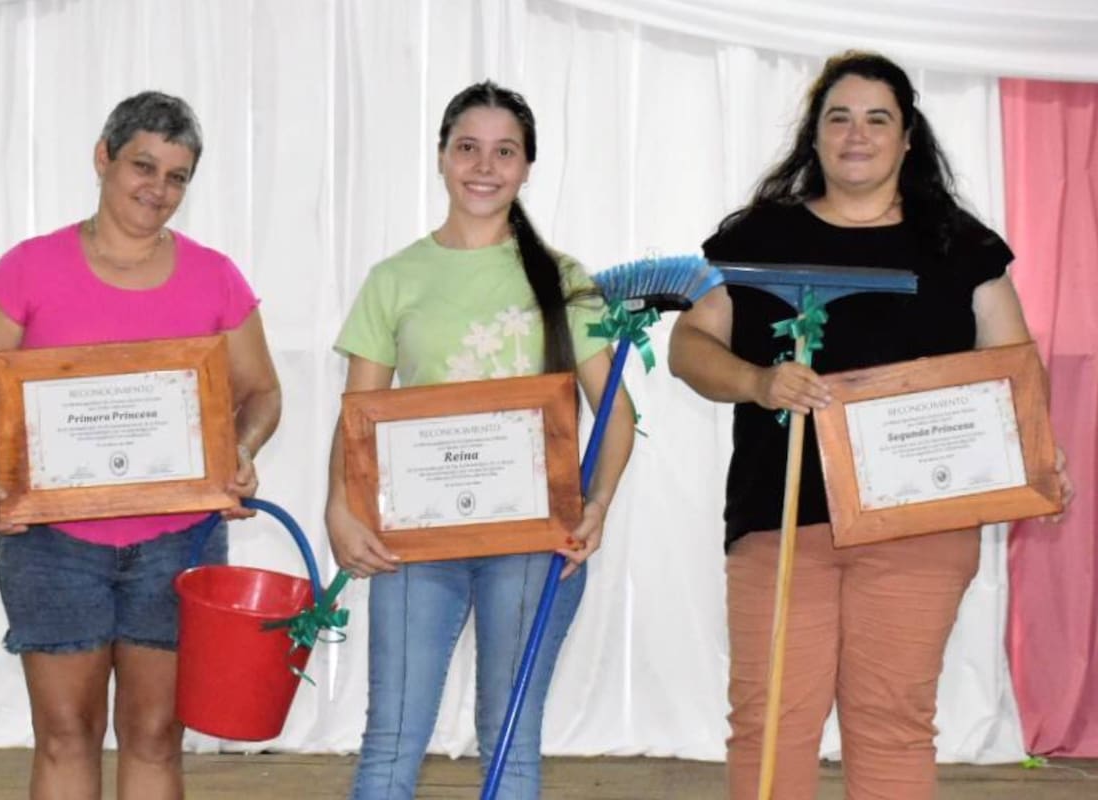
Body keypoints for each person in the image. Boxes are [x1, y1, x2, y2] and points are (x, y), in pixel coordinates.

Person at [667, 51, 1073, 800]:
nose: (857, 135)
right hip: (780, 518)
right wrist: (758, 381)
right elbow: (689, 346)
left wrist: (1038, 457)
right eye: (839, 118)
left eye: (877, 119)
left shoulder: (959, 246)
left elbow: (1014, 370)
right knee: (770, 723)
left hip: (920, 526)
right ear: (815, 135)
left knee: (891, 721)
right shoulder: (757, 239)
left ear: (907, 137)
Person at [0, 91, 282, 800]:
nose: (158, 189)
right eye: (143, 166)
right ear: (103, 158)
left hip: (178, 541)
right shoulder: (28, 268)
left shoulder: (215, 275)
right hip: (52, 542)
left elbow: (262, 392)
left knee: (156, 736)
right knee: (65, 734)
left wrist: (242, 452)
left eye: (177, 176)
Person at [325, 80, 634, 799]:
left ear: (527, 167)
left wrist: (597, 505)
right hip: (414, 540)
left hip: (535, 541)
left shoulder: (565, 279)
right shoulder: (394, 278)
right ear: (441, 156)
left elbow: (617, 413)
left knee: (511, 745)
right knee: (391, 743)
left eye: (504, 152)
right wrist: (339, 506)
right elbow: (358, 414)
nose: (484, 167)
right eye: (467, 148)